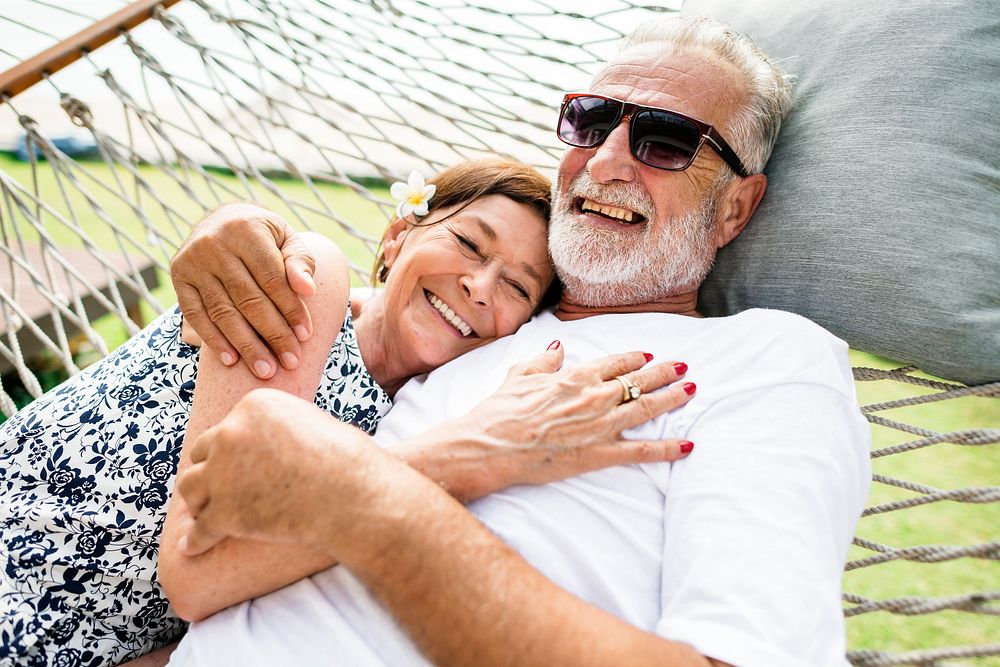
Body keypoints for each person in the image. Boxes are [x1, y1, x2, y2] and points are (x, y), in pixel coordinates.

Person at [161, 14, 872, 667]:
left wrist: (366, 501)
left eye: (667, 140)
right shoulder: (480, 324)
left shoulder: (770, 362)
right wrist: (238, 228)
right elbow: (205, 563)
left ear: (735, 208)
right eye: (591, 123)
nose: (605, 161)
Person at [0, 159, 697, 667]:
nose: (479, 286)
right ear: (397, 237)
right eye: (468, 243)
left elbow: (224, 607)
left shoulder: (405, 426)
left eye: (515, 285)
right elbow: (202, 542)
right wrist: (481, 448)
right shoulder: (314, 281)